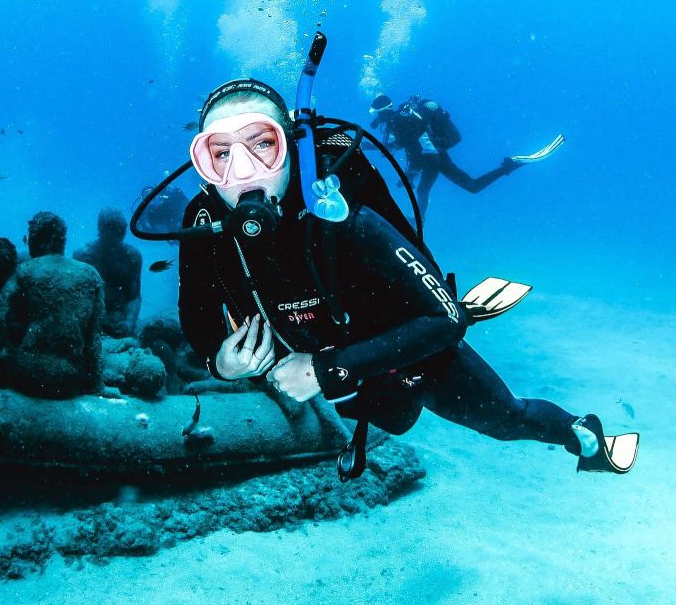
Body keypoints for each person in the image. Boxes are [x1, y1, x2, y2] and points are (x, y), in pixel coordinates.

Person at [173, 78, 637, 479]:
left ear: (292, 147)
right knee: (387, 415)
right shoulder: (203, 223)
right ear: (203, 166)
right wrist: (221, 363)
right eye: (220, 153)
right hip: (338, 368)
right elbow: (195, 315)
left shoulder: (337, 209)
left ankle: (584, 435)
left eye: (263, 143)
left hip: (400, 341)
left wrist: (325, 369)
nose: (244, 170)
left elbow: (443, 322)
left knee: (504, 419)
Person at [369, 94, 564, 219]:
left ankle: (509, 165)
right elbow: (404, 146)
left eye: (377, 115)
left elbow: (410, 150)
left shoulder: (400, 122)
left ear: (382, 112)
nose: (377, 120)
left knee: (472, 187)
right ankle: (420, 220)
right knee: (422, 191)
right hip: (432, 159)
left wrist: (410, 173)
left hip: (436, 160)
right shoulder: (401, 120)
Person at [0, 212, 104, 398]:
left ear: (40, 239)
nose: (28, 244)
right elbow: (94, 339)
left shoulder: (25, 270)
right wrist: (97, 387)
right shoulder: (90, 274)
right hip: (70, 380)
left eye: (31, 238)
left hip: (29, 374)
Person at [74, 207, 142, 338]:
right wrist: (100, 321)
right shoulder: (83, 256)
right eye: (113, 229)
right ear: (101, 229)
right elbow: (78, 299)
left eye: (121, 229)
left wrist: (128, 323)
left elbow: (134, 296)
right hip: (90, 323)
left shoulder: (132, 256)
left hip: (121, 321)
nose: (118, 235)